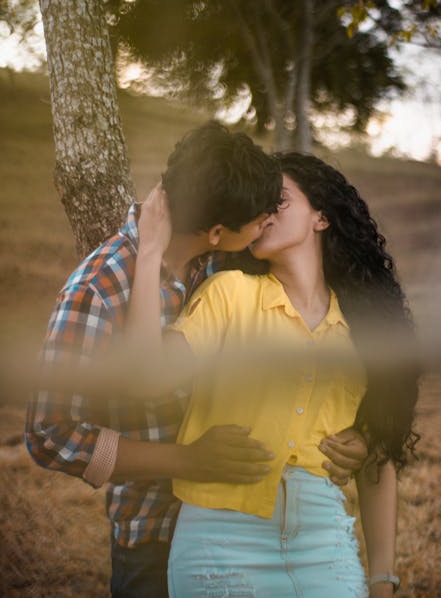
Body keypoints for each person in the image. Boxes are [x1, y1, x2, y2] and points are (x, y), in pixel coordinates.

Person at [25, 124, 368, 598]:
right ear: (216, 232)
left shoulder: (222, 262)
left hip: (255, 519)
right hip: (152, 531)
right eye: (262, 215)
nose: (268, 220)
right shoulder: (99, 290)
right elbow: (49, 433)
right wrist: (187, 460)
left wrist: (359, 435)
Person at [131, 151, 420, 598]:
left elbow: (377, 456)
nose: (263, 212)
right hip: (221, 542)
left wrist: (383, 579)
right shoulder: (229, 294)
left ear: (321, 217)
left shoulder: (364, 328)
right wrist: (149, 252)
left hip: (326, 544)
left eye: (279, 200)